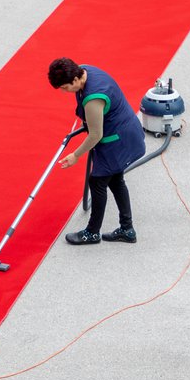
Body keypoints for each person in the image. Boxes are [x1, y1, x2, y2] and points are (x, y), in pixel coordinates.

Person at [47, 58, 145, 245]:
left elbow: (95, 135)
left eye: (65, 87)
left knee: (97, 181)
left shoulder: (94, 98)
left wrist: (75, 155)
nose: (64, 92)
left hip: (117, 141)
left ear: (76, 80)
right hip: (123, 132)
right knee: (116, 180)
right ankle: (127, 229)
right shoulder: (85, 70)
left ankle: (92, 232)